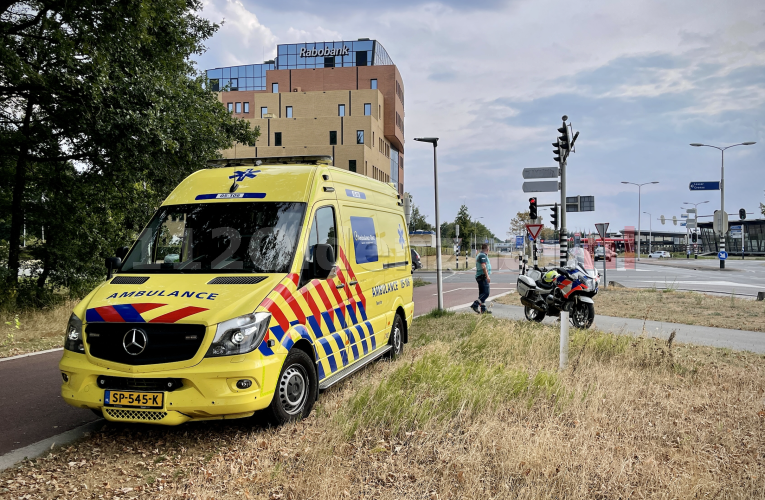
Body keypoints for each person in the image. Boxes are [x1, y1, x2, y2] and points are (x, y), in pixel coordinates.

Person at [471, 243, 492, 314]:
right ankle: (475, 304)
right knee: (486, 293)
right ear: (487, 249)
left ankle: (483, 309)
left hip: (480, 276)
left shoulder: (480, 255)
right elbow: (483, 266)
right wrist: (487, 276)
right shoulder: (482, 255)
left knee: (482, 294)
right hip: (483, 277)